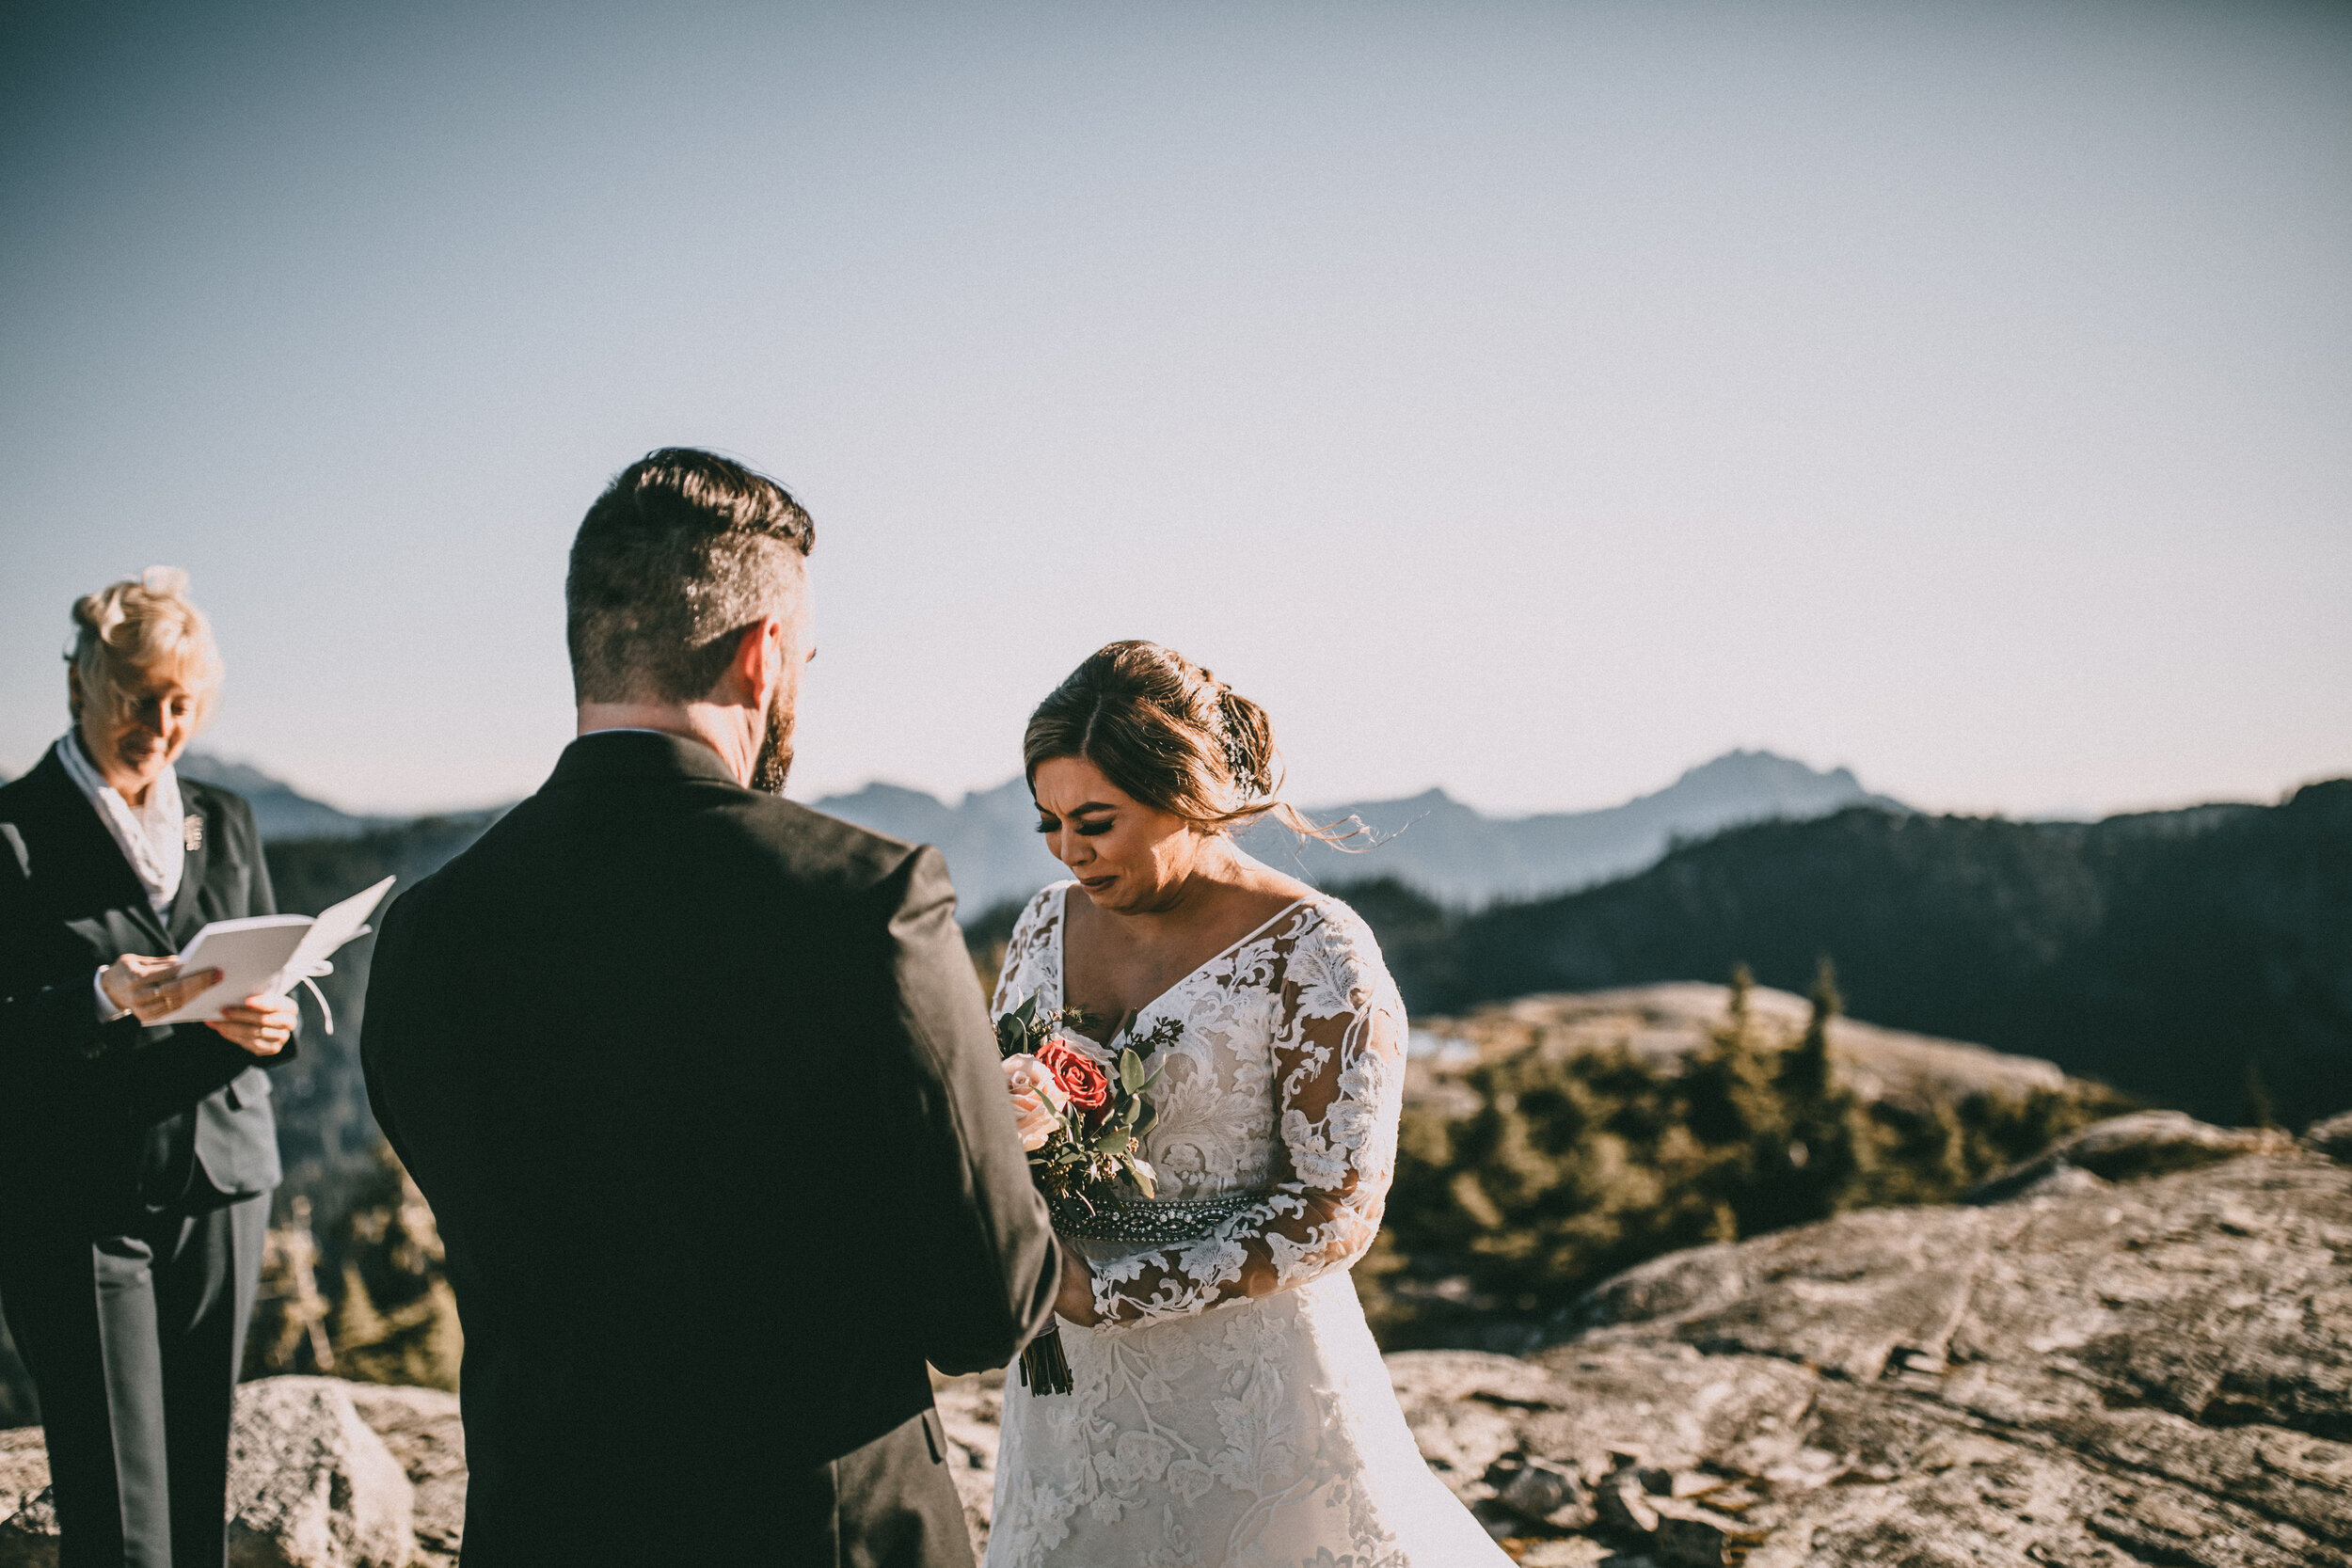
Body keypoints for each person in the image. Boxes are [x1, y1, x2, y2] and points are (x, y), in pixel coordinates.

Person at [361, 449, 1062, 1567]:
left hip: (544, 1526)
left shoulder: (426, 929)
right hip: (810, 1530)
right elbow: (986, 1305)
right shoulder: (867, 900)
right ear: (764, 653)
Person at [984, 641, 1515, 1568]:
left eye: (1097, 819)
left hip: (1249, 1397)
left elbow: (1334, 1207)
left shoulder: (1314, 949)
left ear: (1186, 790)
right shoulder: (1042, 922)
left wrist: (1107, 1291)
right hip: (1065, 1385)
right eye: (1050, 822)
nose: (1071, 849)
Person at [0, 567, 301, 1568]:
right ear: (83, 682)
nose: (162, 724)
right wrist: (98, 997)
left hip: (222, 1184)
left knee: (197, 1495)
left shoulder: (225, 814)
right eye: (140, 698)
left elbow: (272, 966)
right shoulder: (13, 833)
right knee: (121, 1524)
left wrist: (277, 1017)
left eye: (182, 703)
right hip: (76, 1201)